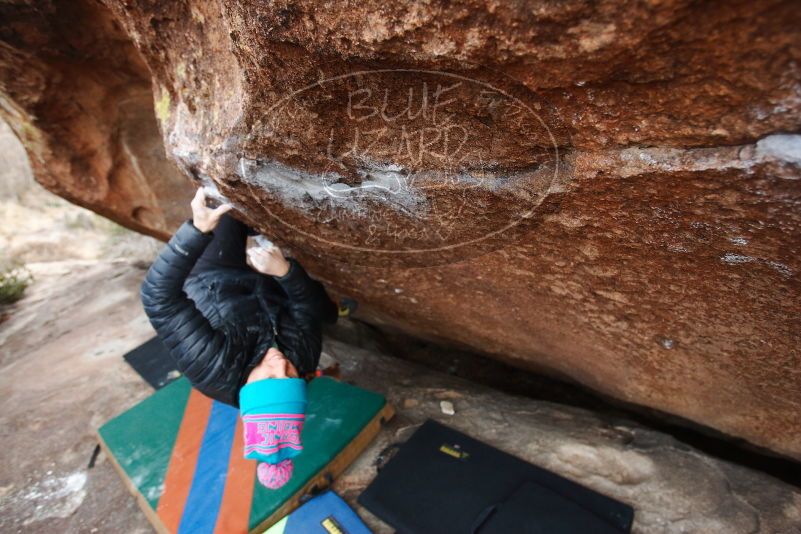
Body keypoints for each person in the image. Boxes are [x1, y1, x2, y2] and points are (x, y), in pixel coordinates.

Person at [140, 187, 338, 488]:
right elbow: (306, 309)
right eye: (292, 376)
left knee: (224, 205)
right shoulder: (301, 362)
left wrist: (196, 232)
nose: (280, 363)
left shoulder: (211, 365)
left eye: (270, 378)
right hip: (266, 287)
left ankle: (248, 233)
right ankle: (262, 240)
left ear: (248, 388)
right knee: (326, 313)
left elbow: (159, 299)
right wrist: (285, 272)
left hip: (214, 281)